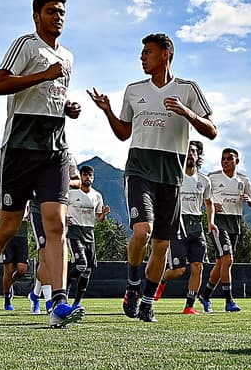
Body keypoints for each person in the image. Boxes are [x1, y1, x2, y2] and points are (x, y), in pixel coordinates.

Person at [0, 0, 84, 327]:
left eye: (61, 12)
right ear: (36, 16)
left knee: (56, 224)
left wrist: (68, 108)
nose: (57, 17)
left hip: (55, 150)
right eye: (50, 11)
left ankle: (58, 302)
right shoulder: (26, 45)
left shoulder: (68, 57)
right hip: (19, 149)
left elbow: (52, 97)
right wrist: (44, 75)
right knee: (8, 226)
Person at [88, 33, 216, 323]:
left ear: (166, 55)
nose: (142, 57)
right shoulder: (134, 90)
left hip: (171, 176)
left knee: (161, 245)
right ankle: (133, 284)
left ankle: (147, 302)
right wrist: (108, 111)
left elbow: (212, 130)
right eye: (141, 52)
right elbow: (123, 133)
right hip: (138, 169)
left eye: (147, 52)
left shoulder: (188, 89)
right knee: (142, 231)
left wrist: (187, 113)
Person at [157, 140, 211, 314]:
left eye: (193, 152)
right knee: (179, 270)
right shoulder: (174, 175)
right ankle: (162, 280)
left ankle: (189, 306)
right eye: (186, 151)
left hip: (196, 226)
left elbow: (208, 204)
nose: (190, 155)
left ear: (198, 155)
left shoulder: (204, 181)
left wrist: (211, 222)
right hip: (177, 226)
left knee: (198, 267)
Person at [201, 147, 251, 313]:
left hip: (235, 223)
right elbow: (202, 196)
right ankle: (229, 301)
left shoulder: (244, 181)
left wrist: (248, 199)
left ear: (236, 161)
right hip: (218, 222)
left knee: (222, 262)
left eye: (229, 159)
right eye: (223, 158)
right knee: (228, 259)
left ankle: (205, 295)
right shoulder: (212, 177)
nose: (225, 161)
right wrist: (210, 207)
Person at [66, 165, 109, 307]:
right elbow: (61, 208)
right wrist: (64, 218)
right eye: (85, 175)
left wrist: (103, 215)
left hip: (89, 233)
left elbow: (99, 218)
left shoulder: (97, 196)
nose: (88, 178)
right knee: (81, 265)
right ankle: (64, 288)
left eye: (90, 175)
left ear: (93, 177)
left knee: (88, 270)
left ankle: (77, 302)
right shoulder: (71, 193)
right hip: (74, 232)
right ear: (80, 176)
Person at [0, 199, 31, 312]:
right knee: (9, 269)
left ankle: (9, 284)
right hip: (7, 237)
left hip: (22, 237)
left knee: (22, 270)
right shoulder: (4, 194)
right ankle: (7, 298)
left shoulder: (28, 196)